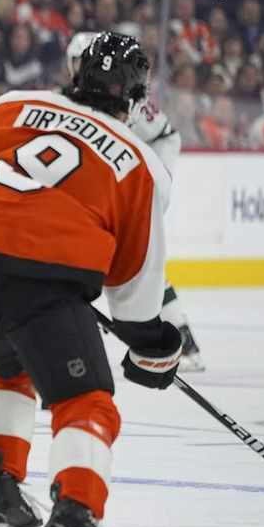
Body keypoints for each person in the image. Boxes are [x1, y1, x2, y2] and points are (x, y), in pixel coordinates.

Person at [0, 32, 181, 527]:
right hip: (35, 280)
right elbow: (133, 292)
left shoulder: (17, 104)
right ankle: (75, 519)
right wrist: (154, 347)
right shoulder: (141, 163)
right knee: (86, 398)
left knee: (11, 362)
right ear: (134, 97)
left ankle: (3, 500)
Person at [66, 31, 204, 371]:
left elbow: (161, 136)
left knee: (135, 251)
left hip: (154, 161)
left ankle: (180, 335)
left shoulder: (126, 101)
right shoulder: (79, 96)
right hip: (121, 171)